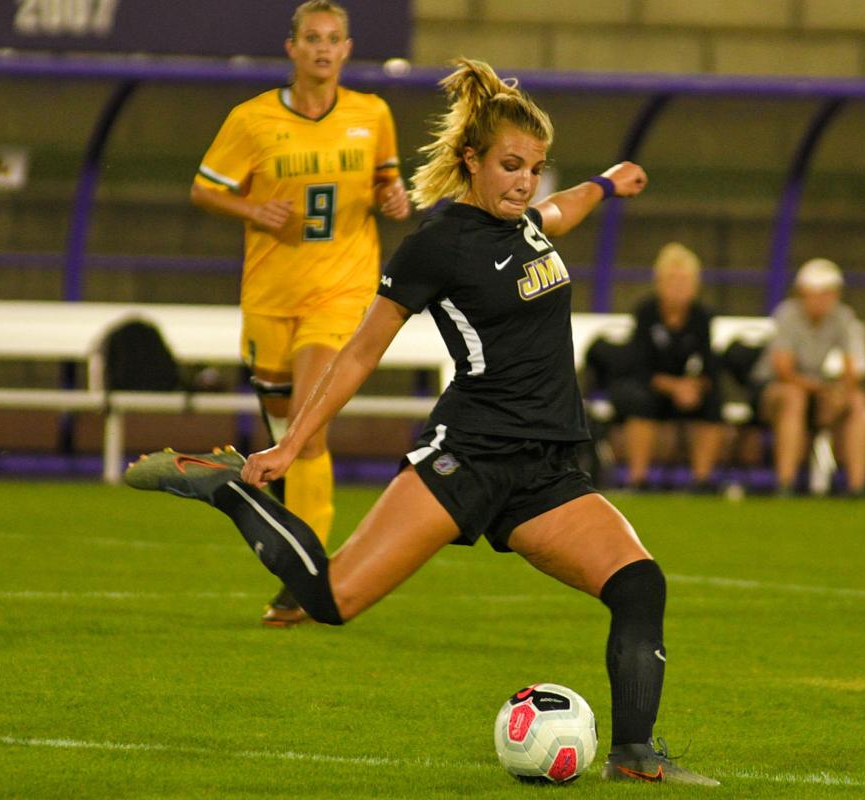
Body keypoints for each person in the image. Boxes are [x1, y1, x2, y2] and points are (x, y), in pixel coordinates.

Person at [128, 58, 717, 785]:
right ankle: (229, 488)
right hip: (466, 456)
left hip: (547, 470)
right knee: (332, 600)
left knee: (638, 585)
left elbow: (562, 208)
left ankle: (633, 757)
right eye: (509, 165)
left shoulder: (529, 223)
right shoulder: (441, 243)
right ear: (471, 161)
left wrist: (606, 183)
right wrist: (292, 443)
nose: (524, 181)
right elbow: (358, 354)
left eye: (532, 168)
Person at [189, 0, 410, 626]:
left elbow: (388, 185)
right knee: (286, 435)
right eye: (310, 38)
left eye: (332, 38)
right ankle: (302, 562)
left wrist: (394, 199)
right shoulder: (252, 120)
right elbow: (205, 187)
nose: (321, 48)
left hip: (341, 294)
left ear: (347, 49)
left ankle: (309, 578)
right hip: (269, 299)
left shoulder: (373, 114)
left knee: (309, 431)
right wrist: (252, 211)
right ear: (291, 48)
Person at [604, 243, 723, 491]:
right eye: (672, 280)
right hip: (650, 385)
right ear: (659, 283)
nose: (679, 287)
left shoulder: (701, 316)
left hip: (682, 389)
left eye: (685, 281)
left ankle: (702, 480)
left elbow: (710, 364)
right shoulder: (646, 313)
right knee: (640, 401)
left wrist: (694, 386)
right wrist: (673, 387)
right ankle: (638, 478)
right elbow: (639, 366)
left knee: (713, 401)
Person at [750, 258, 865, 496]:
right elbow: (783, 371)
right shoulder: (787, 314)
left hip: (815, 390)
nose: (821, 300)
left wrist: (840, 394)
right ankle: (785, 483)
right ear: (802, 293)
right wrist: (824, 390)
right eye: (814, 293)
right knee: (794, 397)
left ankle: (858, 486)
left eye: (827, 293)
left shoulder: (843, 317)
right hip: (775, 388)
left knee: (858, 402)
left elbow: (853, 367)